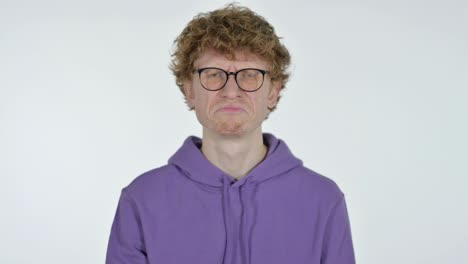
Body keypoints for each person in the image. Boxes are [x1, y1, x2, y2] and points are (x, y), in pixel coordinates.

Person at [105, 4, 355, 264]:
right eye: (214, 75)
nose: (231, 91)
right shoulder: (142, 199)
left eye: (249, 75)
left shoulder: (323, 200)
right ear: (189, 90)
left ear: (273, 91)